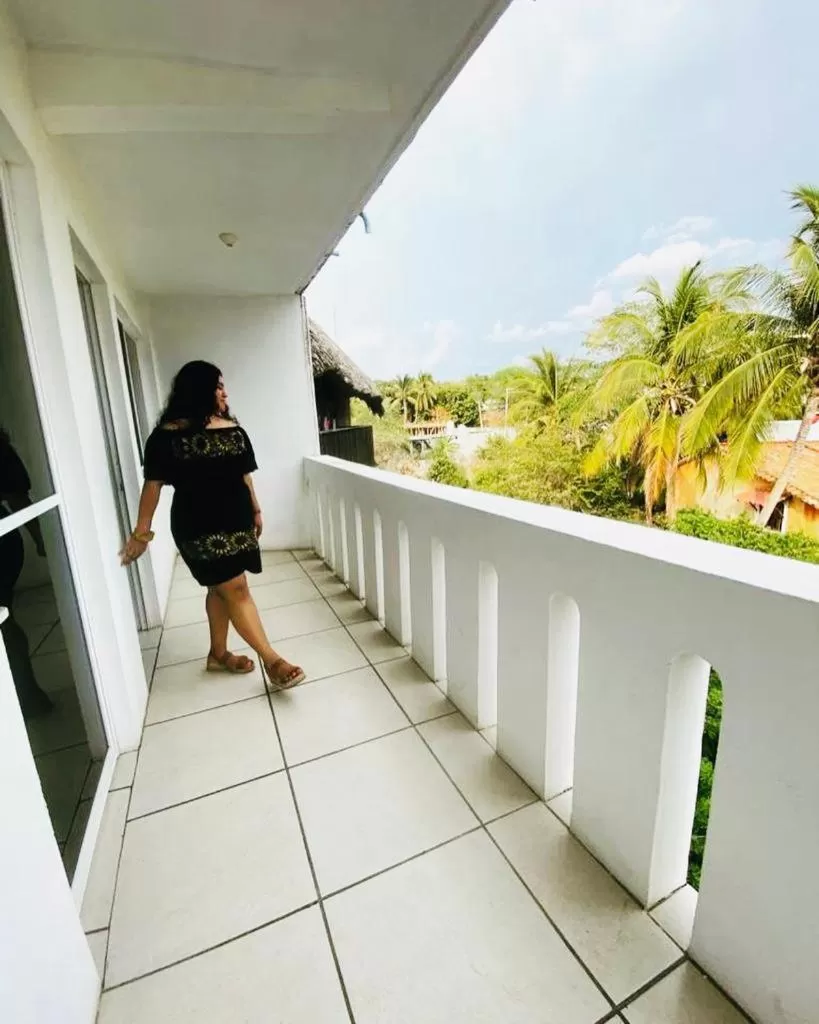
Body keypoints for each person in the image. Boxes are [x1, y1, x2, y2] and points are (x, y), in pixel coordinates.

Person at [121, 361, 305, 689]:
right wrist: (141, 534)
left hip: (237, 522)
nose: (225, 392)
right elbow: (153, 486)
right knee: (235, 587)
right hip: (198, 527)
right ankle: (273, 661)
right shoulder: (166, 438)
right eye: (218, 386)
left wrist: (256, 509)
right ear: (199, 390)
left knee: (220, 588)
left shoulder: (232, 428)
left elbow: (243, 475)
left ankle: (218, 655)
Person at [0, 428, 53, 719]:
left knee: (4, 618)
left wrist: (40, 539)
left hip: (2, 540)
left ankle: (27, 694)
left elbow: (18, 496)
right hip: (5, 539)